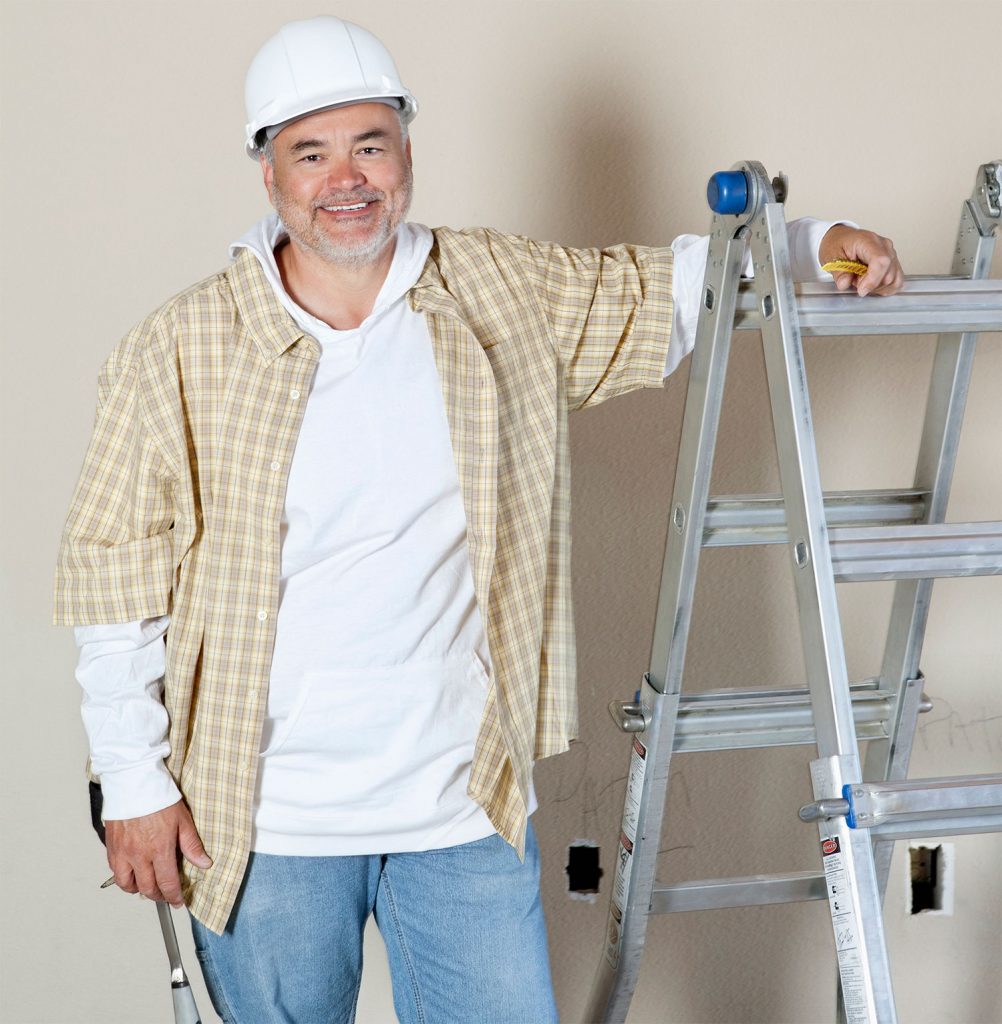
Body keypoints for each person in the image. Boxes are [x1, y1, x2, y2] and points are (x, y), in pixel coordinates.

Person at [54, 15, 904, 1024]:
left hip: (460, 808)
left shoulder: (495, 290)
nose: (348, 178)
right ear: (270, 175)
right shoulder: (180, 350)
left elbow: (663, 291)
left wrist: (808, 246)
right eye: (312, 153)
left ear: (406, 150)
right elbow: (113, 579)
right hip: (264, 821)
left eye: (370, 144)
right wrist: (136, 781)